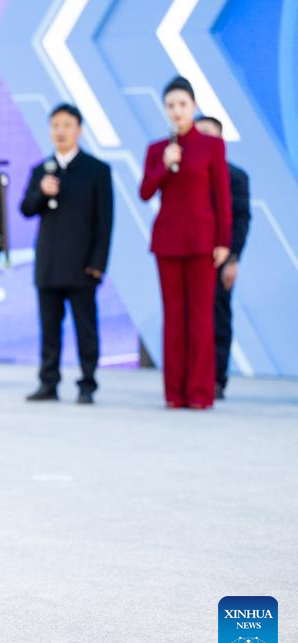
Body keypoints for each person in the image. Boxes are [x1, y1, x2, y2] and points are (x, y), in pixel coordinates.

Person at [140, 76, 231, 409]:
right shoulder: (157, 149)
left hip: (203, 242)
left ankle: (200, 392)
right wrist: (164, 166)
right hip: (167, 241)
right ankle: (174, 392)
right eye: (170, 105)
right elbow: (145, 191)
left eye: (182, 104)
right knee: (174, 317)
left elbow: (222, 196)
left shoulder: (211, 146)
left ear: (193, 106)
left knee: (201, 318)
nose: (176, 111)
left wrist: (224, 241)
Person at [21, 103, 113, 404]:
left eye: (67, 125)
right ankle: (48, 382)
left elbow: (105, 222)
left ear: (79, 130)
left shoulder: (97, 170)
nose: (61, 131)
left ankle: (87, 383)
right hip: (48, 265)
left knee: (86, 328)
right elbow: (26, 209)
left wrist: (98, 262)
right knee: (49, 328)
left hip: (82, 266)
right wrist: (41, 191)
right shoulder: (42, 170)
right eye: (55, 125)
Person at [194, 115, 250, 400]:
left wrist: (232, 257)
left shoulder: (234, 176)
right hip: (189, 255)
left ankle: (216, 379)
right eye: (198, 133)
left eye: (210, 134)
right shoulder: (185, 173)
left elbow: (241, 219)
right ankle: (191, 378)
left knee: (217, 318)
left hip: (219, 258)